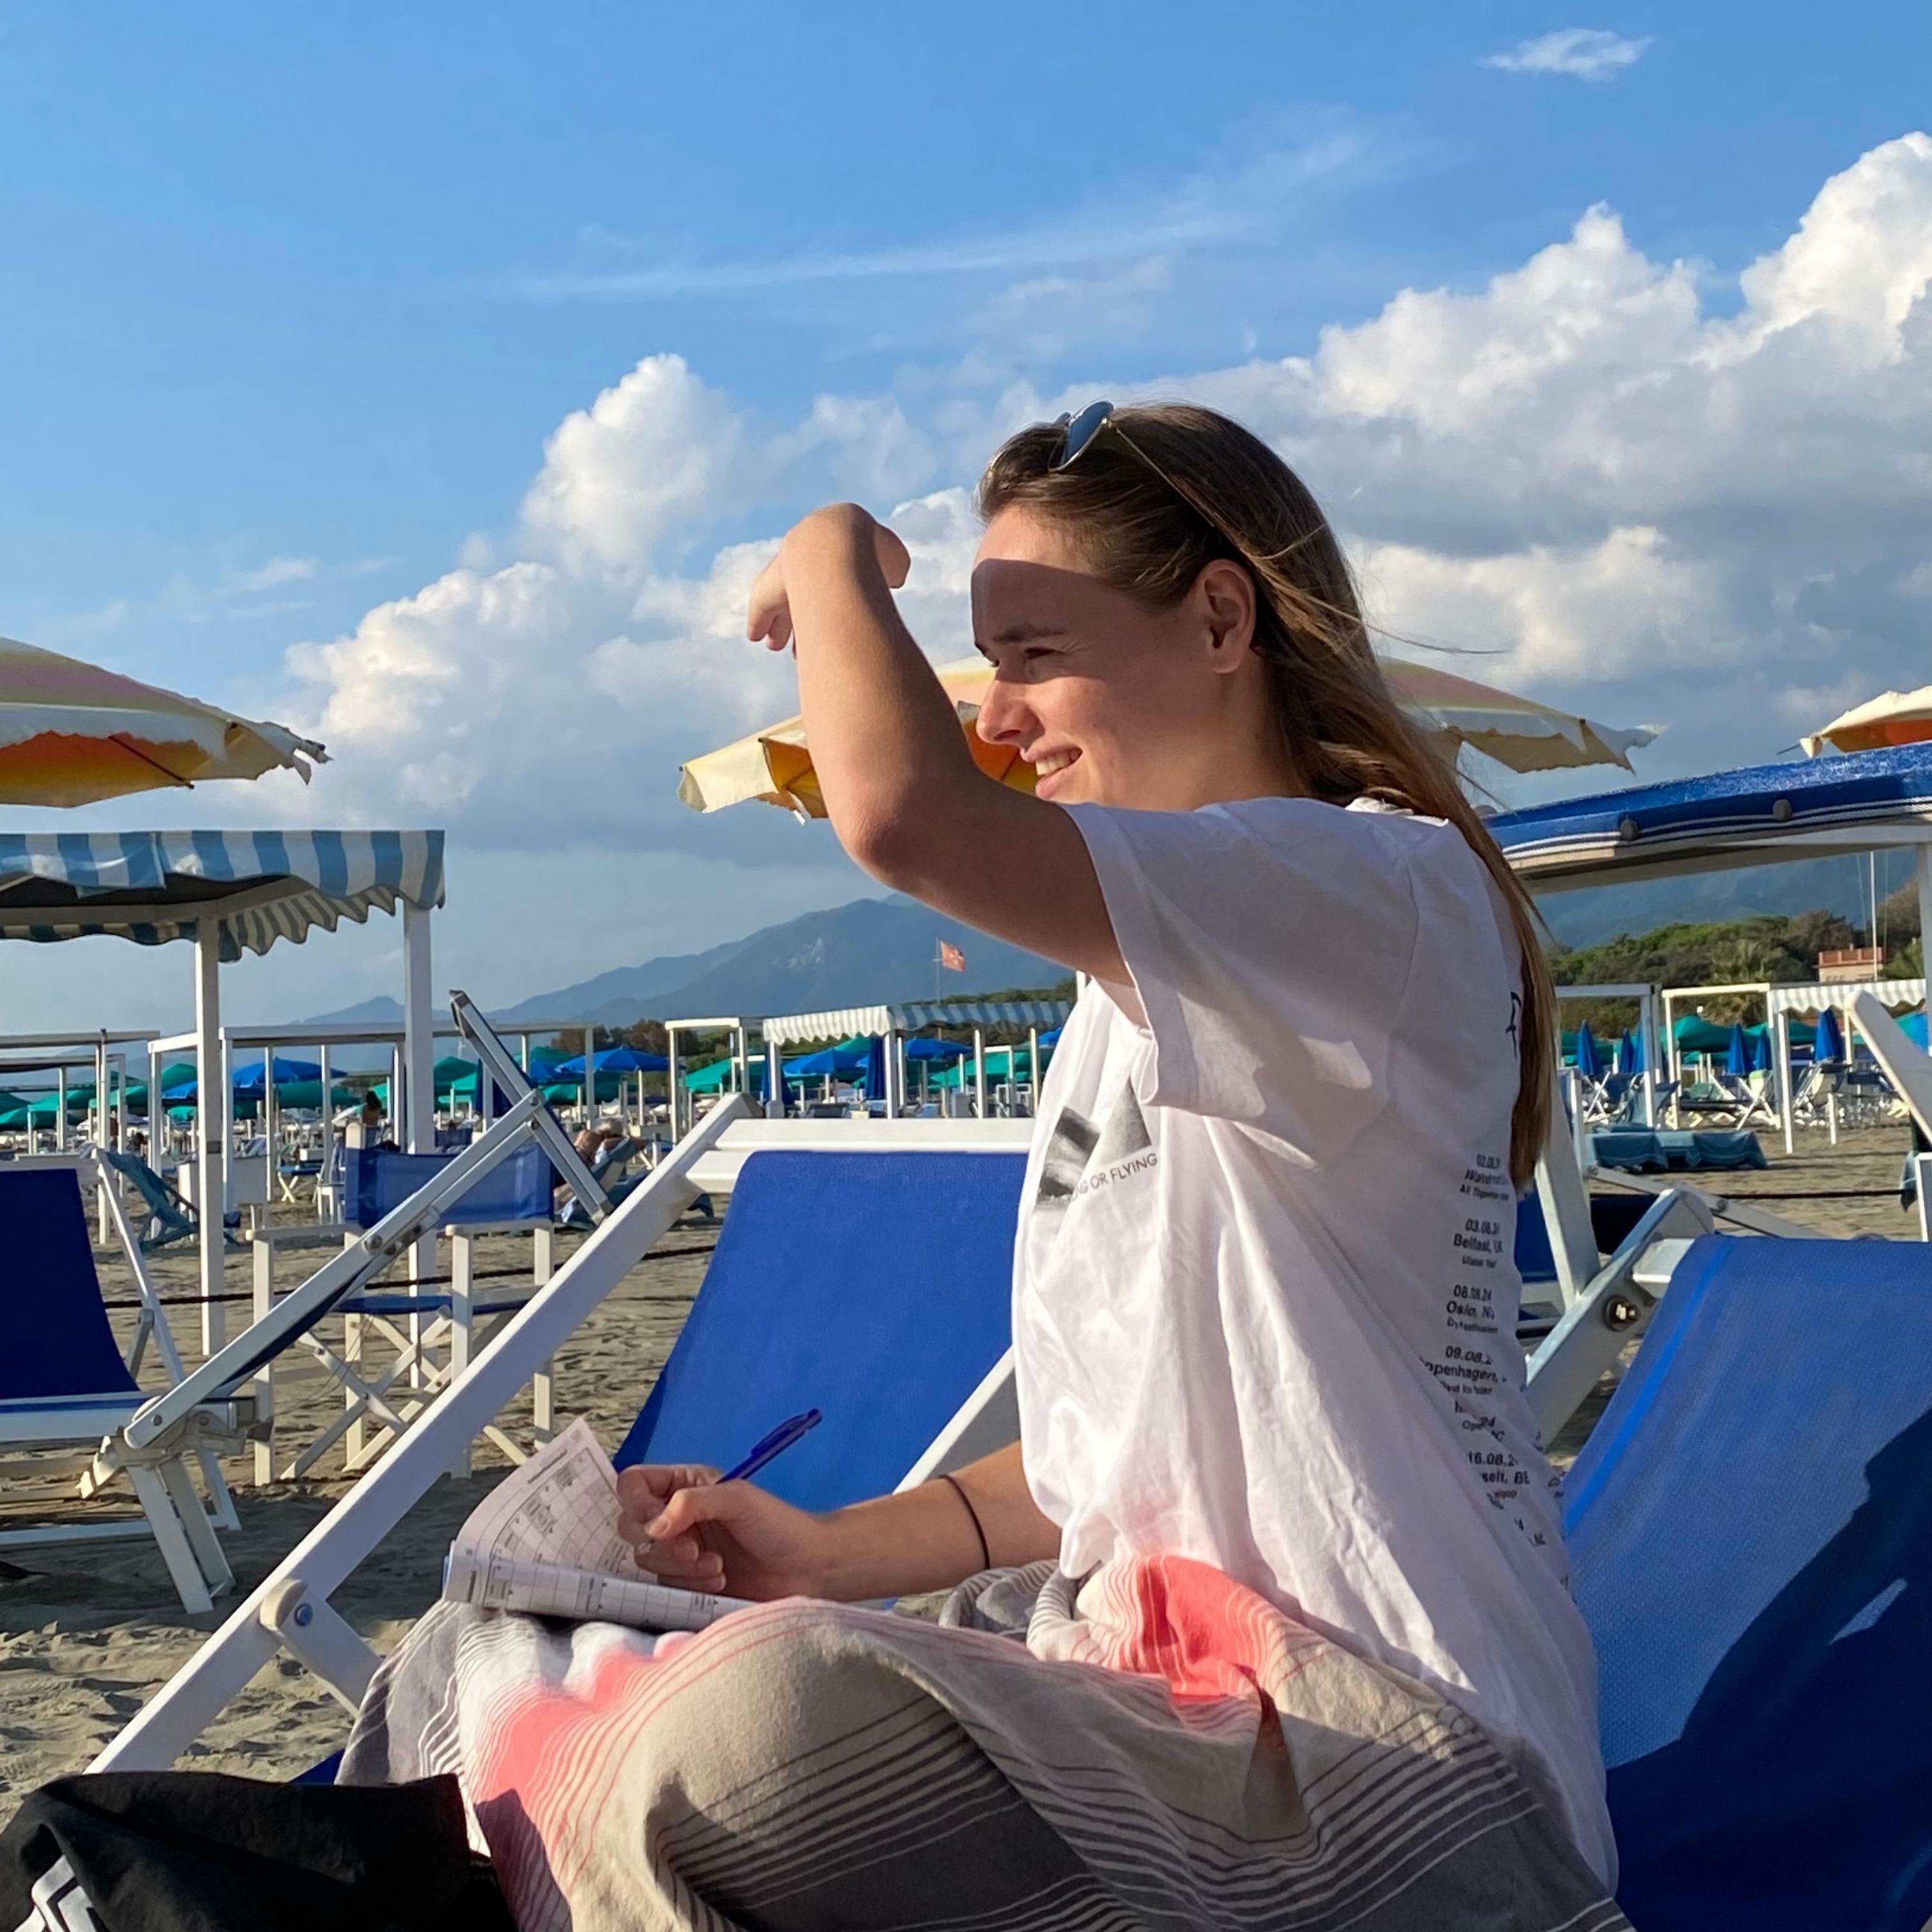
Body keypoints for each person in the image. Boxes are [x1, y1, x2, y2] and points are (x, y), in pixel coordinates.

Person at [346, 403, 1626, 1931]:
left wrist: (829, 549)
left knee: (738, 1738)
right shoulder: (1127, 1002)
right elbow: (1111, 1460)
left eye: (1031, 654)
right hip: (1158, 1700)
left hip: (1380, 1749)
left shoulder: (1376, 890)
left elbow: (903, 813)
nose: (998, 720)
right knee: (492, 1657)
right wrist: (817, 1554)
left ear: (1223, 619)